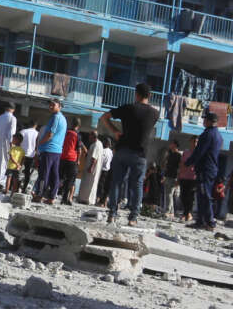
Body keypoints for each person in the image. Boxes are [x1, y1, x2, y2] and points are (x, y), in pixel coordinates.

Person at [98, 83, 160, 225]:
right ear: (149, 96)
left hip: (123, 150)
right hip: (140, 154)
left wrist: (115, 131)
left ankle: (112, 214)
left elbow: (104, 117)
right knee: (137, 185)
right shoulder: (155, 113)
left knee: (116, 183)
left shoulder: (128, 108)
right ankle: (133, 217)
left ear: (136, 94)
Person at [187, 109, 223, 230]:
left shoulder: (207, 134)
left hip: (205, 169)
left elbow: (199, 151)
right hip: (211, 169)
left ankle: (209, 221)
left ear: (208, 121)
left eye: (204, 120)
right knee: (202, 195)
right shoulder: (218, 135)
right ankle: (201, 221)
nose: (203, 122)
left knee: (204, 195)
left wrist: (189, 162)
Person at [33, 99, 67, 204]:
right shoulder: (63, 118)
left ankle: (39, 195)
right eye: (50, 105)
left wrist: (39, 144)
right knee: (54, 174)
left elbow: (49, 135)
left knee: (44, 173)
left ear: (59, 106)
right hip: (57, 150)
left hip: (49, 149)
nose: (51, 107)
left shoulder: (55, 117)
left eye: (53, 105)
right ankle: (52, 197)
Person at [58, 119, 84, 205]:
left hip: (62, 157)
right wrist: (78, 160)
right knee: (70, 180)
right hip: (72, 159)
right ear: (79, 125)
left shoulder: (65, 132)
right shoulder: (77, 135)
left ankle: (55, 194)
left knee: (61, 177)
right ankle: (65, 198)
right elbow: (79, 150)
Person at [76, 131, 104, 206]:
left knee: (89, 184)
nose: (89, 138)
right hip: (92, 168)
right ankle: (85, 199)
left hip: (92, 168)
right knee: (89, 184)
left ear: (94, 137)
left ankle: (87, 200)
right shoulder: (98, 144)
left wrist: (91, 167)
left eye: (90, 137)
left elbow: (94, 158)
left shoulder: (96, 145)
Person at [178, 137, 198, 221]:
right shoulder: (186, 152)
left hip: (193, 177)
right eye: (194, 141)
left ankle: (187, 213)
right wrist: (179, 174)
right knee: (183, 195)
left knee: (190, 196)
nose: (195, 143)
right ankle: (186, 213)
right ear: (190, 142)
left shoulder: (199, 153)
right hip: (183, 176)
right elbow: (181, 163)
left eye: (197, 142)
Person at [162, 139, 183, 219]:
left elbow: (180, 167)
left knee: (169, 194)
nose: (170, 145)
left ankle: (167, 211)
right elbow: (166, 165)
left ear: (175, 145)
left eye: (171, 144)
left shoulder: (178, 155)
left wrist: (178, 178)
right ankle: (171, 212)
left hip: (174, 176)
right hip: (167, 175)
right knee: (168, 194)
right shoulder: (170, 154)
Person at [19, 120, 39, 194]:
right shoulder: (38, 134)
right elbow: (37, 145)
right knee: (27, 173)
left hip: (21, 154)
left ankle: (16, 187)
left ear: (29, 124)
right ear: (36, 126)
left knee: (18, 171)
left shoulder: (23, 131)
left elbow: (18, 141)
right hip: (31, 155)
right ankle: (24, 188)